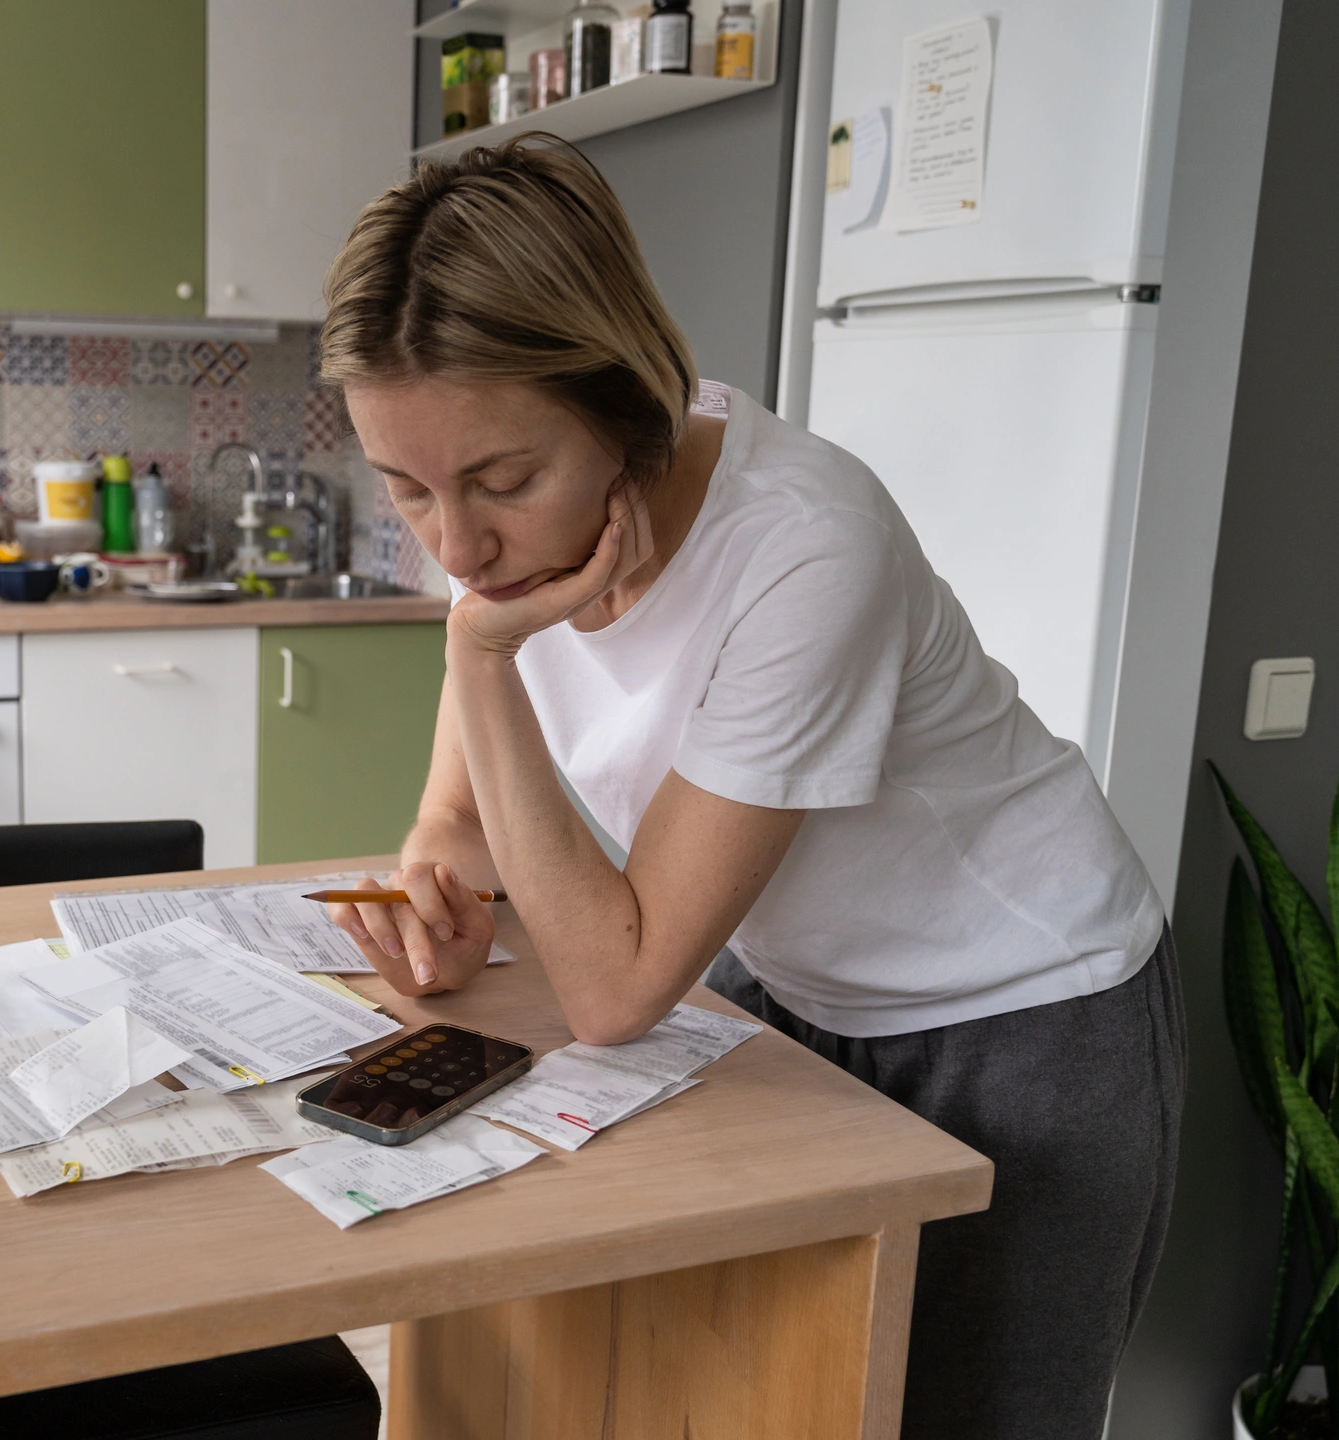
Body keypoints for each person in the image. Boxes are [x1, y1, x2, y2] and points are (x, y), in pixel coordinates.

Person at [315, 137, 1184, 1440]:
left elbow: (614, 986)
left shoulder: (803, 547)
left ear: (623, 399)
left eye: (499, 484)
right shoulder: (504, 506)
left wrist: (476, 652)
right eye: (409, 491)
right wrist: (441, 889)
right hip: (794, 998)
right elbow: (460, 826)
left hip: (1021, 1016)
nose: (457, 542)